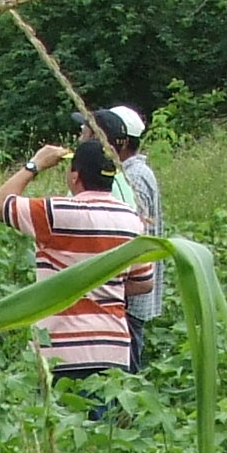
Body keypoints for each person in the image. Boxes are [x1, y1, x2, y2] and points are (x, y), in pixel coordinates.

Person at [0, 131, 147, 387]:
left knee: (63, 423)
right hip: (113, 348)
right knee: (102, 425)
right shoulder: (132, 220)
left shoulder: (55, 212)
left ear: (75, 176)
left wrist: (34, 165)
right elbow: (143, 283)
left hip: (61, 348)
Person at [100, 103, 164, 340]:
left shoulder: (132, 177)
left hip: (129, 298)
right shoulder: (137, 172)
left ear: (122, 142)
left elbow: (130, 233)